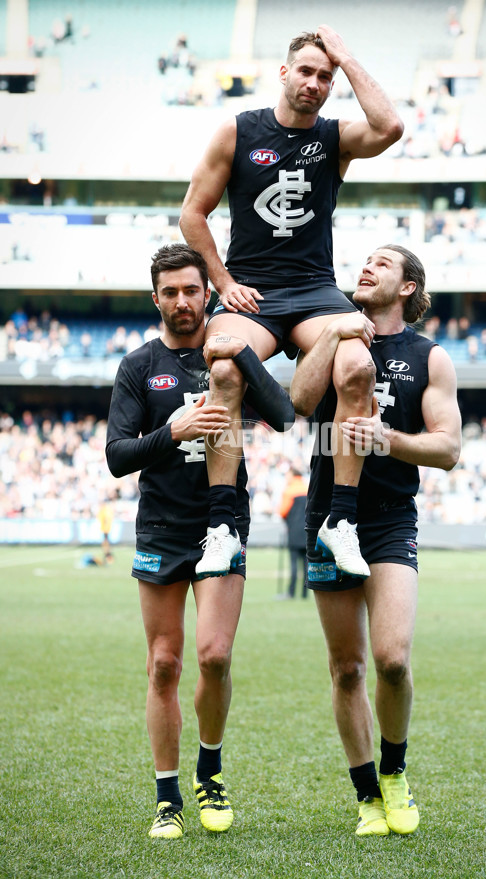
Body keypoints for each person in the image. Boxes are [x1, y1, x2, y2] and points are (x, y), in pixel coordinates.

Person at [179, 26, 403, 582]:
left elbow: (390, 127)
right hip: (251, 289)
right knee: (225, 369)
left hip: (314, 289)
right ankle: (223, 526)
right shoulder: (237, 132)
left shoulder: (332, 138)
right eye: (306, 71)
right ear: (284, 73)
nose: (316, 83)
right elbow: (192, 215)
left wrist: (347, 57)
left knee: (357, 364)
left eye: (325, 76)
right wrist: (223, 281)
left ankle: (341, 521)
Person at [105, 243, 294, 840]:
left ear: (207, 292)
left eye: (192, 289)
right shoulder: (138, 366)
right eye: (171, 292)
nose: (183, 301)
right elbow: (116, 457)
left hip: (223, 523)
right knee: (164, 664)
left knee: (215, 656)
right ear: (155, 297)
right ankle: (167, 797)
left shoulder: (230, 352)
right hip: (161, 526)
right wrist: (171, 431)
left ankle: (209, 772)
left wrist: (241, 349)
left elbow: (285, 415)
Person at [290, 244, 462, 837]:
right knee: (346, 669)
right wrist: (334, 335)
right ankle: (366, 795)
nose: (367, 267)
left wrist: (386, 439)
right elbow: (299, 402)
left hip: (389, 518)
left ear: (409, 287)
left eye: (383, 263)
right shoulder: (330, 332)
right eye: (365, 260)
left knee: (391, 660)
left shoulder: (430, 357)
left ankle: (395, 772)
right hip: (327, 514)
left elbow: (448, 449)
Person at [278, 467, 309, 599]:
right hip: (307, 531)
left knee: (294, 564)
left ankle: (291, 592)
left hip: (294, 532)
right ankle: (304, 593)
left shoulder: (289, 491)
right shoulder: (307, 489)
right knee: (306, 564)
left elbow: (282, 511)